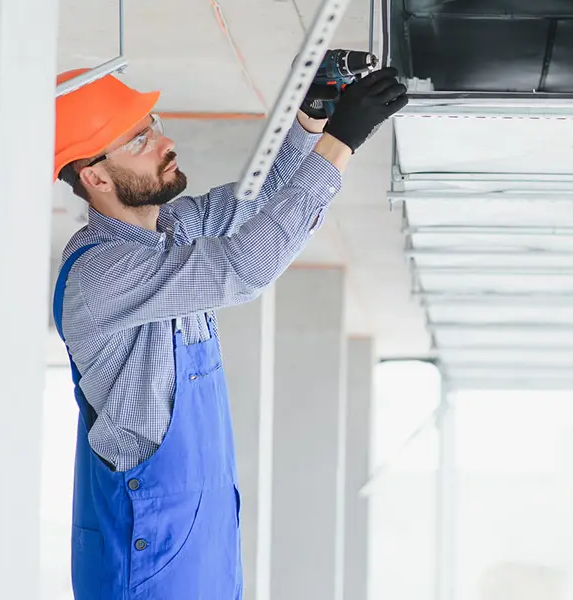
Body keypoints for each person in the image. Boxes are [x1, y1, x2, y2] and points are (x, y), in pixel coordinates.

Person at [52, 57, 408, 600]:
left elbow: (252, 206)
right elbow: (243, 267)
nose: (163, 141)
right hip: (148, 550)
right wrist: (340, 145)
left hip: (196, 534)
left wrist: (313, 121)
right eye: (139, 139)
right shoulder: (103, 273)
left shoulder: (165, 229)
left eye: (155, 124)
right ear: (95, 176)